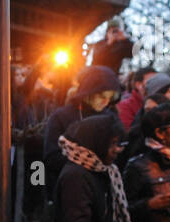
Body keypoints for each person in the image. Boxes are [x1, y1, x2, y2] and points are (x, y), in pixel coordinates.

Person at [42, 65, 121, 193]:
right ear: (88, 91)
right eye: (102, 96)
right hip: (71, 188)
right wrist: (87, 163)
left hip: (105, 187)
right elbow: (51, 156)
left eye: (110, 97)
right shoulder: (61, 117)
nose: (106, 102)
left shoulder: (110, 117)